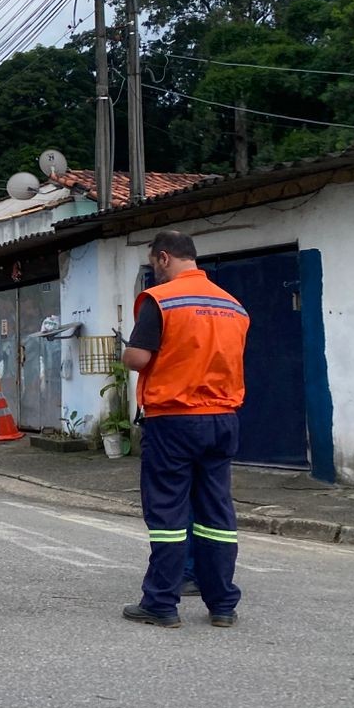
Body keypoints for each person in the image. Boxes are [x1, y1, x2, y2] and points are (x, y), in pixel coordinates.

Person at [120, 230, 249, 630]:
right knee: (216, 512)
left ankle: (161, 602)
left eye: (153, 263)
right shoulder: (233, 305)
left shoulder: (162, 301)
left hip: (174, 418)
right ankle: (222, 604)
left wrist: (125, 351)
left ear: (163, 258)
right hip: (223, 418)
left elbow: (139, 358)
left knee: (168, 512)